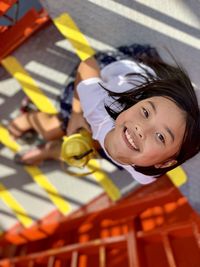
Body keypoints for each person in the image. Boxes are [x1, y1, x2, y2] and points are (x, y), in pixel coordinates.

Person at [8, 44, 200, 184]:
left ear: (164, 163)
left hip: (138, 99)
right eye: (145, 112)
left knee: (86, 151)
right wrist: (77, 113)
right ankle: (30, 118)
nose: (141, 128)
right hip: (112, 70)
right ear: (138, 104)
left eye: (160, 136)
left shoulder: (145, 174)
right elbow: (88, 65)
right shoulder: (99, 104)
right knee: (53, 129)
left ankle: (49, 150)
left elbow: (114, 150)